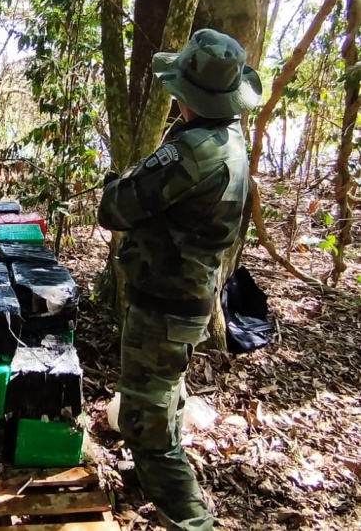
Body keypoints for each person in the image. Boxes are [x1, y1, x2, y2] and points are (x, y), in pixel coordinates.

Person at [98, 28, 262, 531]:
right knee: (164, 397)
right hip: (187, 298)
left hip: (166, 304)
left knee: (147, 428)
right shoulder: (230, 142)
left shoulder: (193, 152)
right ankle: (151, 477)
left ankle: (191, 520)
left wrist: (122, 181)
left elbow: (116, 208)